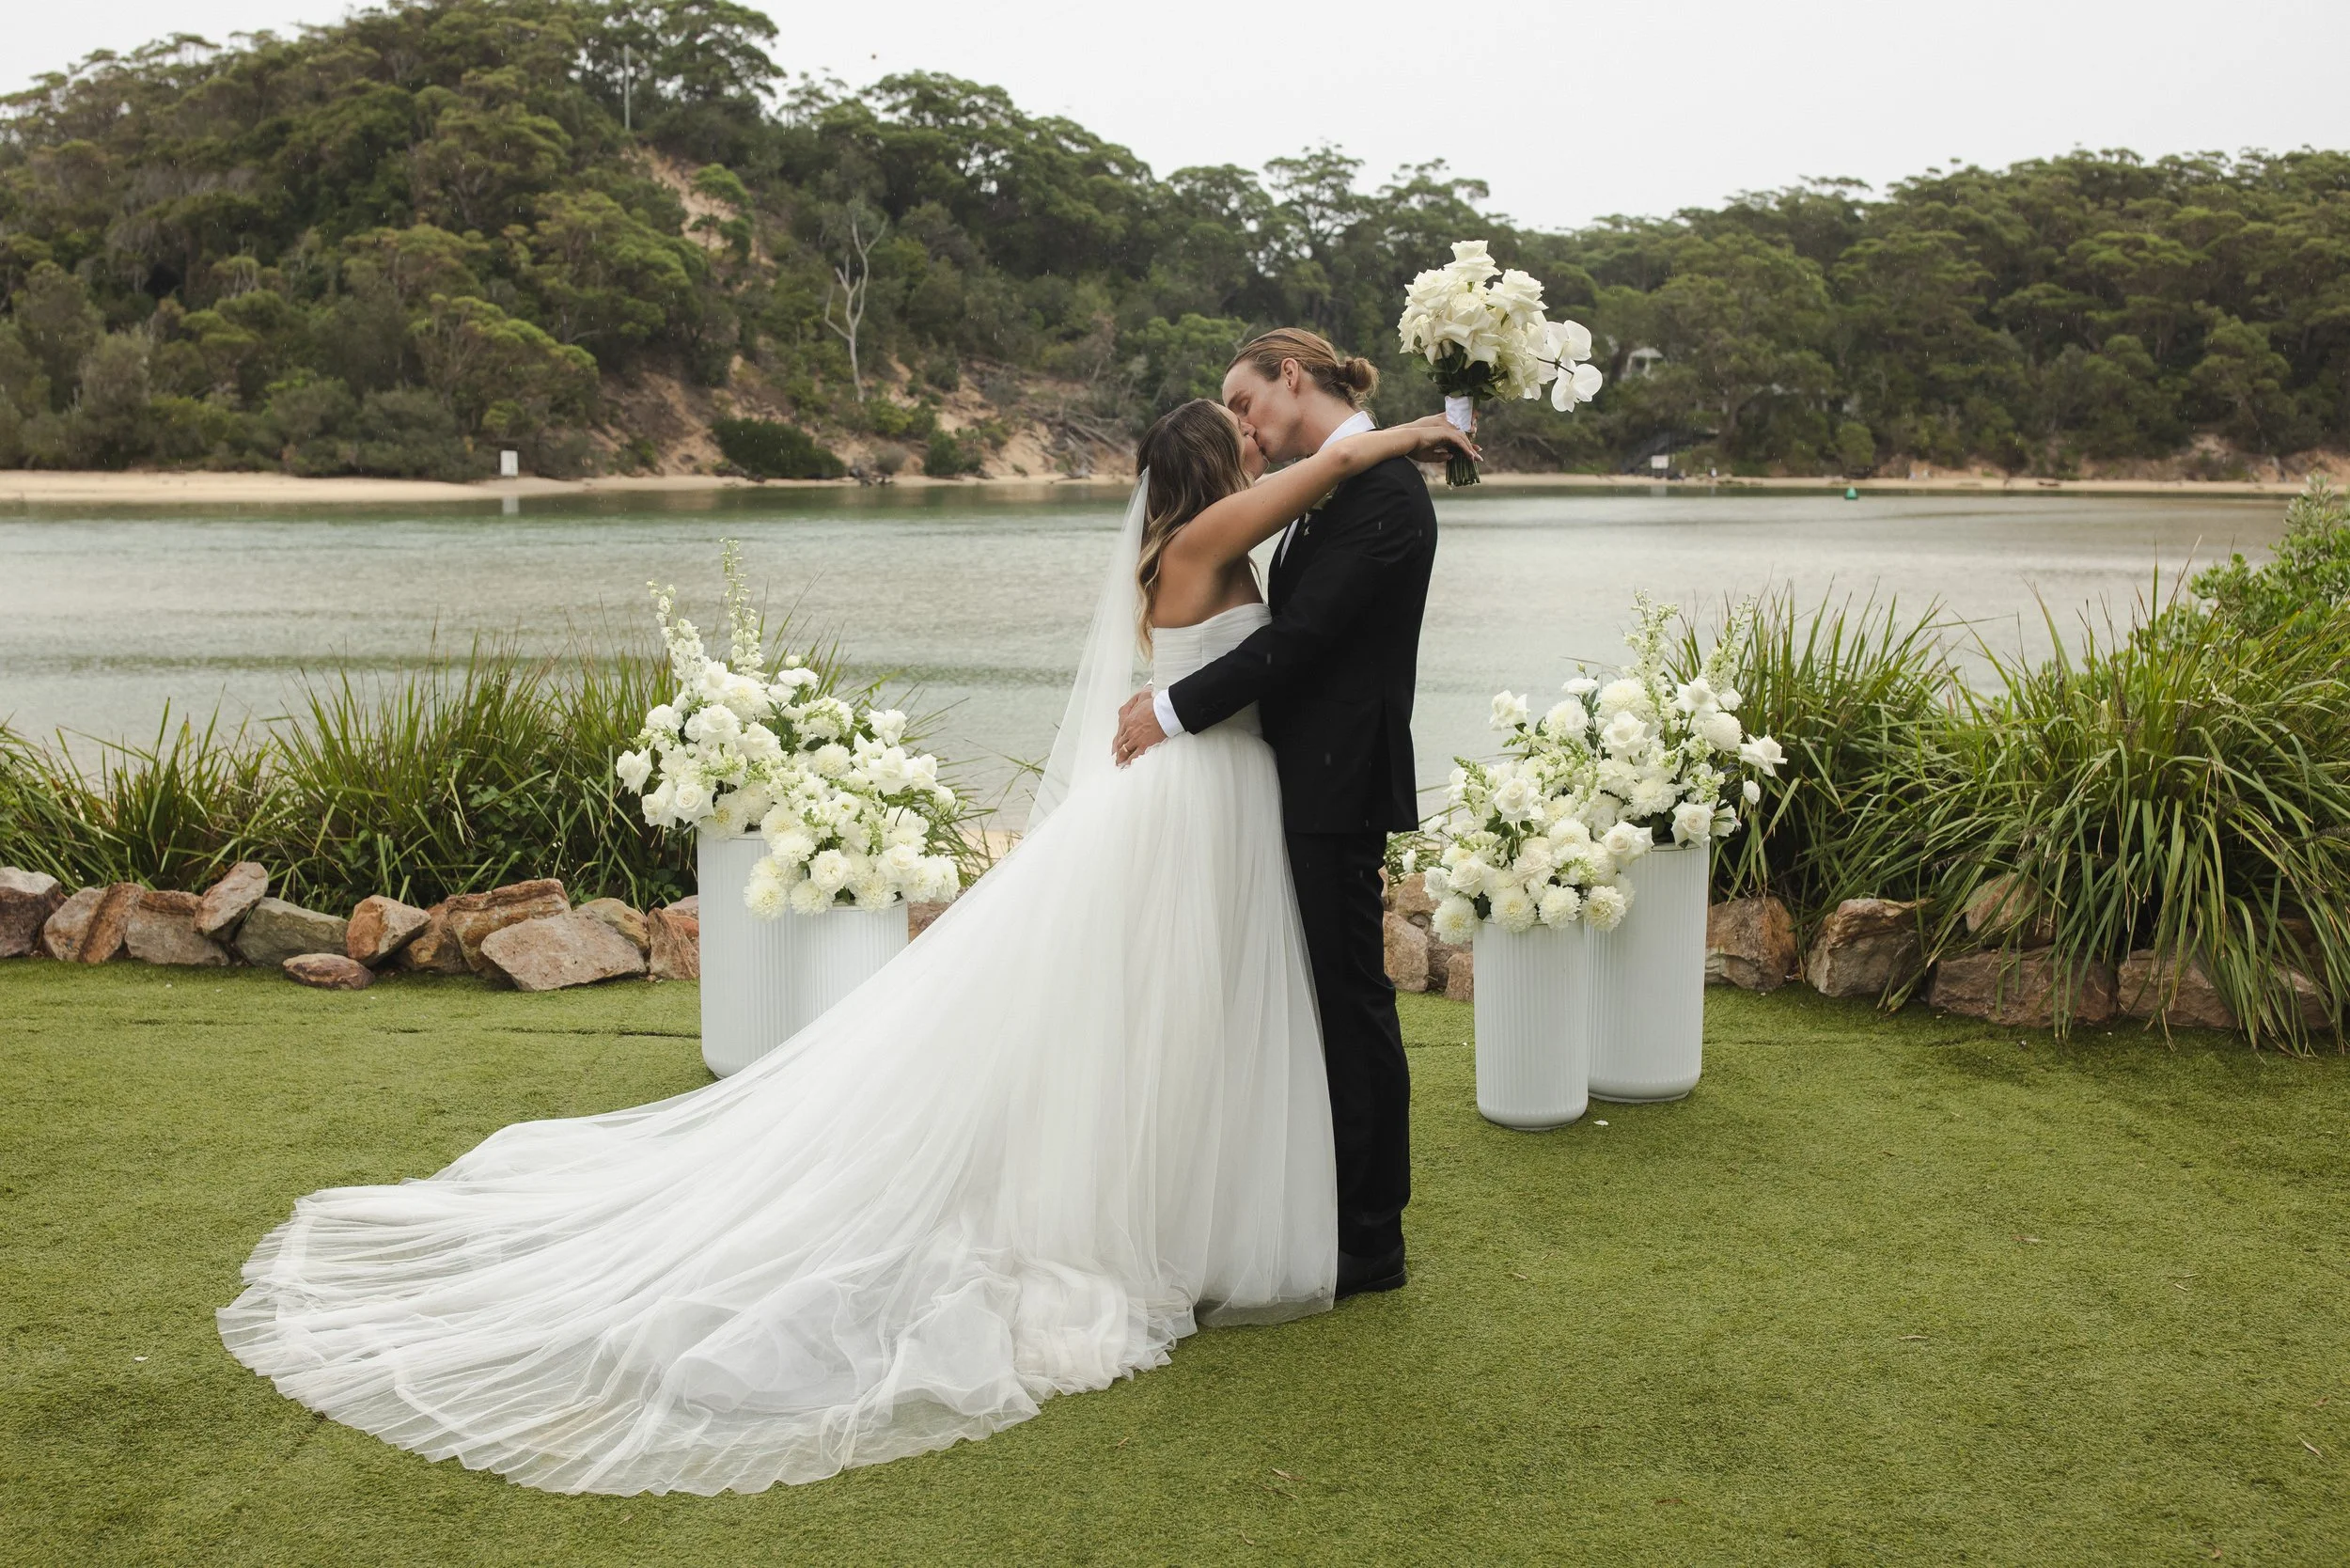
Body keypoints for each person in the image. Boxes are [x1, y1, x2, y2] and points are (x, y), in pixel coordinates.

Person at [217, 382, 1475, 1497]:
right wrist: (1410, 431)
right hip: (1194, 803)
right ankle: (1157, 1220)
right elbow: (1327, 473)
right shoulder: (1208, 539)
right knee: (1159, 1008)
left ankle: (1190, 1208)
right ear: (1210, 467)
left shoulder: (1200, 538)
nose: (1257, 441)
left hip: (1214, 801)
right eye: (1237, 433)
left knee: (1179, 1014)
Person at [1115, 328, 1437, 1300]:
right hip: (1260, 787)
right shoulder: (1282, 505)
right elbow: (1279, 637)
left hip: (1328, 787)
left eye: (1244, 402)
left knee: (1344, 1002)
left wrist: (1170, 707)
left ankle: (1367, 1234)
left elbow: (1298, 642)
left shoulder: (1380, 492)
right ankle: (1280, 1206)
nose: (1246, 427)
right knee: (1272, 1002)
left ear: (1290, 376)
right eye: (1232, 423)